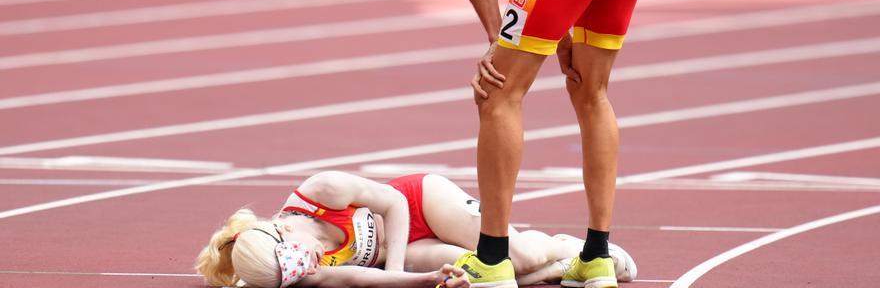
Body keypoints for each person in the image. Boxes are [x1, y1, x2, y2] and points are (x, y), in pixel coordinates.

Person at [347, 0, 649, 288]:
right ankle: (596, 257)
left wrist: (495, 38)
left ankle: (491, 260)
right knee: (591, 92)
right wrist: (561, 40)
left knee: (496, 92)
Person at [196, 171, 637, 287]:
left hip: (420, 202)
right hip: (404, 252)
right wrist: (421, 278)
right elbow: (355, 277)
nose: (305, 267)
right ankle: (560, 270)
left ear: (281, 232)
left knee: (519, 257)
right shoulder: (289, 269)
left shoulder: (321, 191)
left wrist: (395, 268)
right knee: (478, 278)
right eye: (296, 273)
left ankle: (558, 247)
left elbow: (389, 203)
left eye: (297, 260)